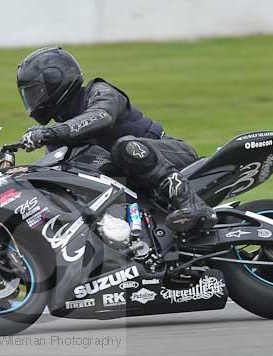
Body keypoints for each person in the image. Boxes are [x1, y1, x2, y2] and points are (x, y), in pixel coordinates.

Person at [16, 46, 217, 231]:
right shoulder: (60, 134)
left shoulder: (100, 91)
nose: (34, 101)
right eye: (29, 95)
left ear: (55, 83)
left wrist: (51, 133)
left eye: (36, 92)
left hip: (171, 155)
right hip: (134, 182)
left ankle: (192, 204)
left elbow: (102, 116)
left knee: (124, 147)